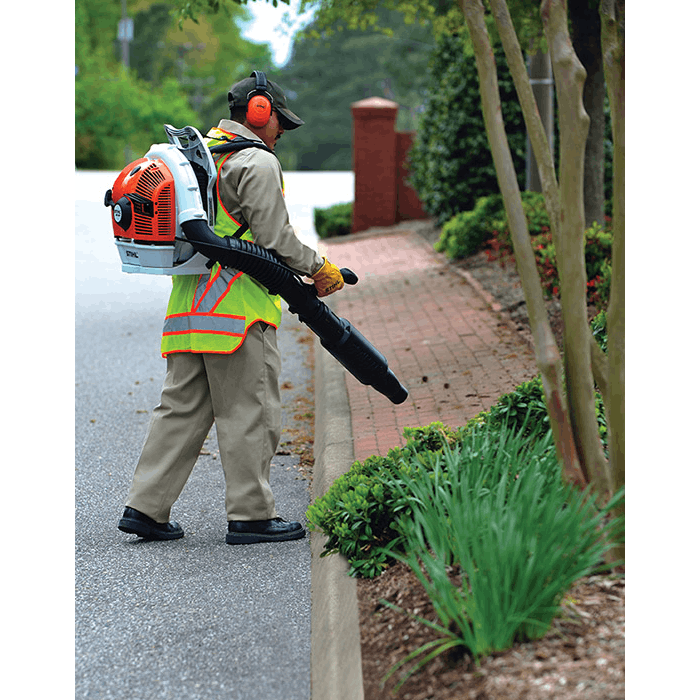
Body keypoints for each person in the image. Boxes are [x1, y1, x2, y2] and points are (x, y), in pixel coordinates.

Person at [118, 71, 345, 544]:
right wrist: (320, 267)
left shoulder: (195, 157)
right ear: (260, 112)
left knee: (178, 412)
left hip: (188, 310)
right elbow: (276, 239)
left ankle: (145, 507)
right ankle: (252, 515)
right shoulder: (254, 163)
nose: (281, 132)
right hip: (238, 311)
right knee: (250, 412)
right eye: (280, 122)